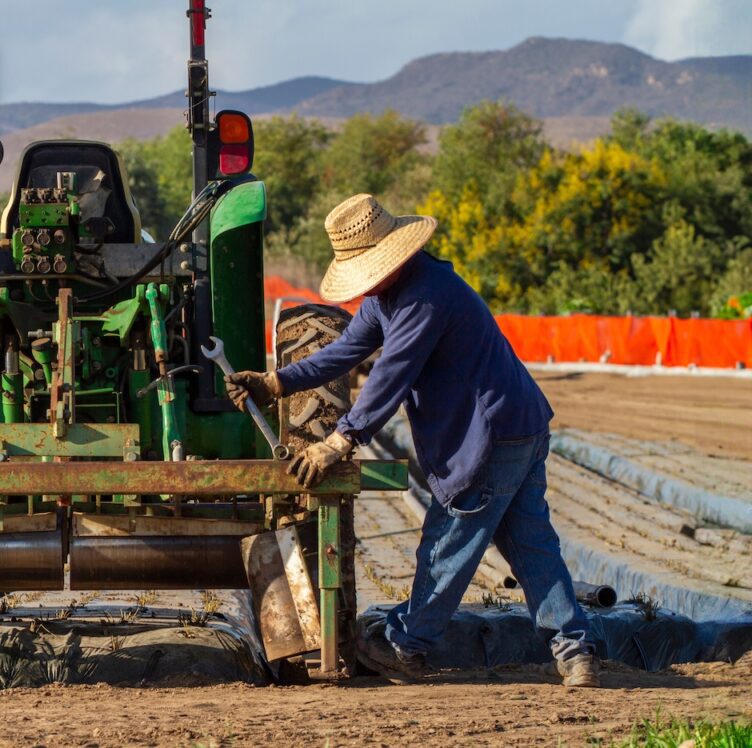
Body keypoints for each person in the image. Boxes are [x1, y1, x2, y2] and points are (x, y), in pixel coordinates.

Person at [226, 194, 601, 687]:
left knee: (449, 543)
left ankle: (406, 645)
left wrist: (340, 441)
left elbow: (390, 374)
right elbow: (346, 350)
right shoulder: (388, 296)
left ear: (392, 255)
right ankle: (576, 652)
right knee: (532, 547)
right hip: (520, 424)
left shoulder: (425, 296)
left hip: (489, 434)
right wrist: (278, 382)